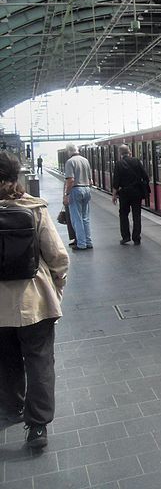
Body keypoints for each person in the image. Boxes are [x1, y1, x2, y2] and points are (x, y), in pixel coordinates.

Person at [0, 152, 69, 448]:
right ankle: (38, 427)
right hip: (35, 303)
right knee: (40, 362)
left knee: (6, 362)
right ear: (17, 176)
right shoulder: (34, 208)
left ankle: (11, 409)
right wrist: (57, 286)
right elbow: (58, 257)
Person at [111, 144, 150, 245]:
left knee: (123, 215)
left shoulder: (118, 164)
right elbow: (145, 176)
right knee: (136, 215)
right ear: (129, 151)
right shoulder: (136, 161)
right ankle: (136, 238)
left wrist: (114, 195)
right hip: (136, 192)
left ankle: (126, 237)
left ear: (120, 153)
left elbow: (116, 181)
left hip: (124, 193)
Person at [62, 144, 93, 251]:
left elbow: (70, 180)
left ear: (69, 151)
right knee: (85, 218)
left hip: (76, 190)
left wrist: (66, 195)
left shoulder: (70, 162)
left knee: (77, 218)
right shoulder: (85, 160)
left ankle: (81, 243)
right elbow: (91, 181)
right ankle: (88, 241)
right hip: (87, 189)